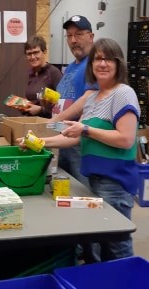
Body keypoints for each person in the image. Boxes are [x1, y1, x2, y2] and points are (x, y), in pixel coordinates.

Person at [27, 38, 141, 261]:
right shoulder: (93, 98)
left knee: (116, 246)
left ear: (119, 64)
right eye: (98, 58)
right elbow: (73, 139)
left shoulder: (123, 93)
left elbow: (125, 139)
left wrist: (86, 129)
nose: (102, 63)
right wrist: (35, 142)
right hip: (93, 180)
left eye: (109, 59)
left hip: (115, 183)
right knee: (94, 241)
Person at [51, 15, 97, 186]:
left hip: (78, 141)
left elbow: (88, 98)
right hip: (61, 136)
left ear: (91, 37)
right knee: (62, 187)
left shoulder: (94, 64)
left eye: (78, 34)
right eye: (69, 36)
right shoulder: (71, 66)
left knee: (81, 190)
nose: (73, 40)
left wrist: (55, 119)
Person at [22, 35, 62, 118]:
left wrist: (41, 110)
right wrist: (24, 106)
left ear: (44, 52)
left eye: (36, 52)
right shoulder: (31, 73)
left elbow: (63, 106)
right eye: (29, 54)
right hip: (32, 123)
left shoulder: (54, 73)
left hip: (48, 125)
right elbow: (34, 100)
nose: (32, 57)